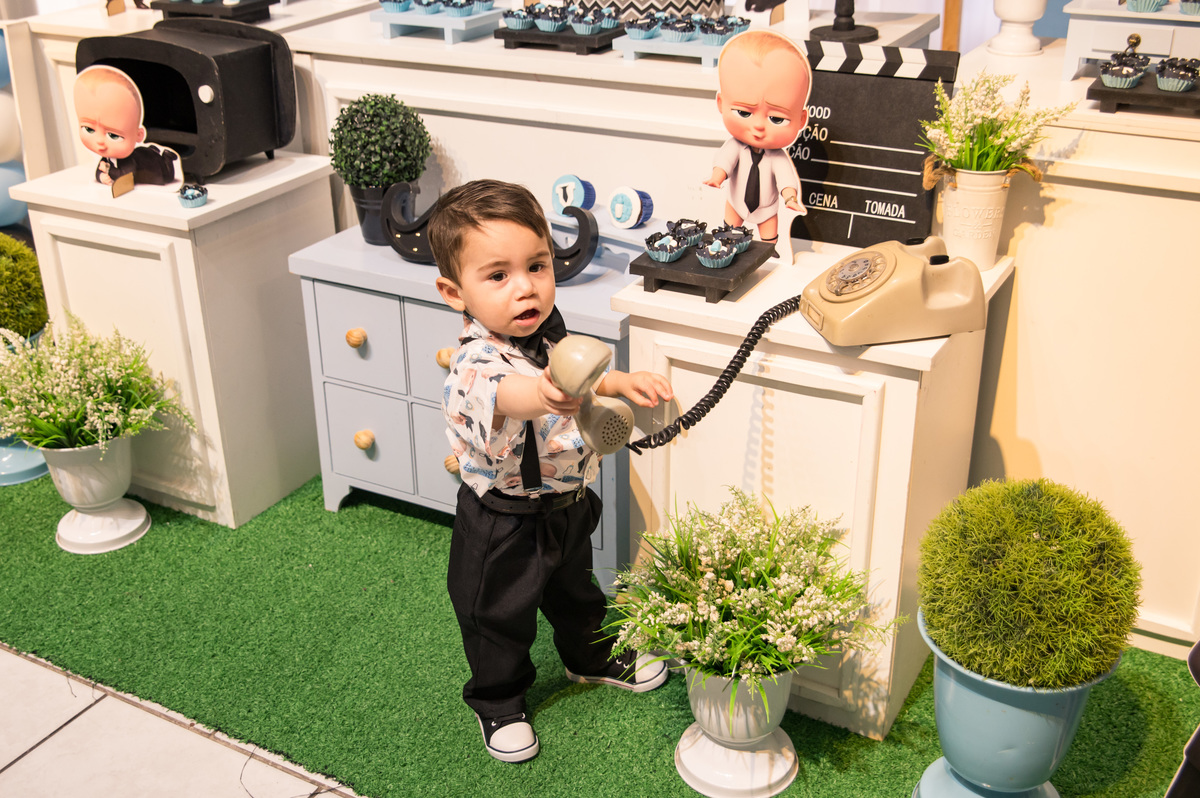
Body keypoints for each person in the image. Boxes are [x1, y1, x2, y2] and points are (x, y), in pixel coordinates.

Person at [430, 179, 673, 763]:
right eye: (498, 275)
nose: (526, 288)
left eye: (536, 266)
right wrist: (542, 393)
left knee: (576, 593)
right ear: (454, 292)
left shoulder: (549, 331)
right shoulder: (476, 361)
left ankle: (589, 656)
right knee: (496, 615)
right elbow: (509, 394)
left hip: (567, 503)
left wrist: (620, 382)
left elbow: (582, 372)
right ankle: (497, 699)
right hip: (503, 520)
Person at [703, 30, 813, 248]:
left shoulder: (777, 157)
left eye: (776, 118)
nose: (759, 126)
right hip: (736, 201)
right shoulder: (734, 146)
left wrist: (790, 198)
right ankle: (727, 243)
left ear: (801, 119)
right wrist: (717, 177)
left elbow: (785, 179)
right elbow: (725, 161)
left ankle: (770, 249)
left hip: (766, 207)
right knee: (730, 225)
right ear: (721, 103)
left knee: (769, 231)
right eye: (744, 113)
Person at [74, 65, 179, 188]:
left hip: (157, 169)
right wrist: (101, 176)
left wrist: (108, 170)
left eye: (113, 135)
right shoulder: (107, 157)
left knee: (168, 176)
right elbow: (98, 171)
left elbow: (126, 176)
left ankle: (167, 157)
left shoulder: (130, 161)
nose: (99, 141)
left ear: (139, 135)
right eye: (89, 129)